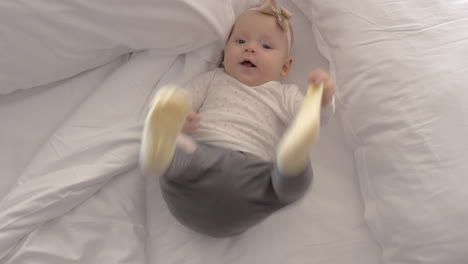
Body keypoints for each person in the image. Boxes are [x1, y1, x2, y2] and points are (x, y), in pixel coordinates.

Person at [140, 0, 336, 237]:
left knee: (286, 186)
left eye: (265, 45)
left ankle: (291, 162)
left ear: (285, 67)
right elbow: (182, 101)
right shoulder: (214, 79)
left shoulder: (284, 95)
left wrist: (321, 102)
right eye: (240, 41)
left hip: (251, 177)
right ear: (224, 54)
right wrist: (180, 118)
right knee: (179, 147)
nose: (250, 49)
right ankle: (162, 148)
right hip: (200, 160)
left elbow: (317, 119)